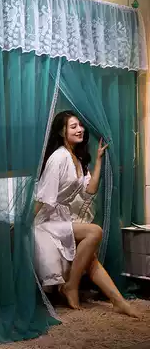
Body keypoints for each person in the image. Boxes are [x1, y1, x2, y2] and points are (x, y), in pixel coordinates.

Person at [34, 110, 139, 318]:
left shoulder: (77, 158)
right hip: (45, 219)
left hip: (60, 218)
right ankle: (72, 286)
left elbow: (90, 190)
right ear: (62, 132)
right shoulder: (58, 157)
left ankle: (118, 301)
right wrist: (25, 223)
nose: (80, 129)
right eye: (73, 127)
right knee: (94, 231)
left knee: (90, 257)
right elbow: (43, 197)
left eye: (80, 126)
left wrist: (98, 161)